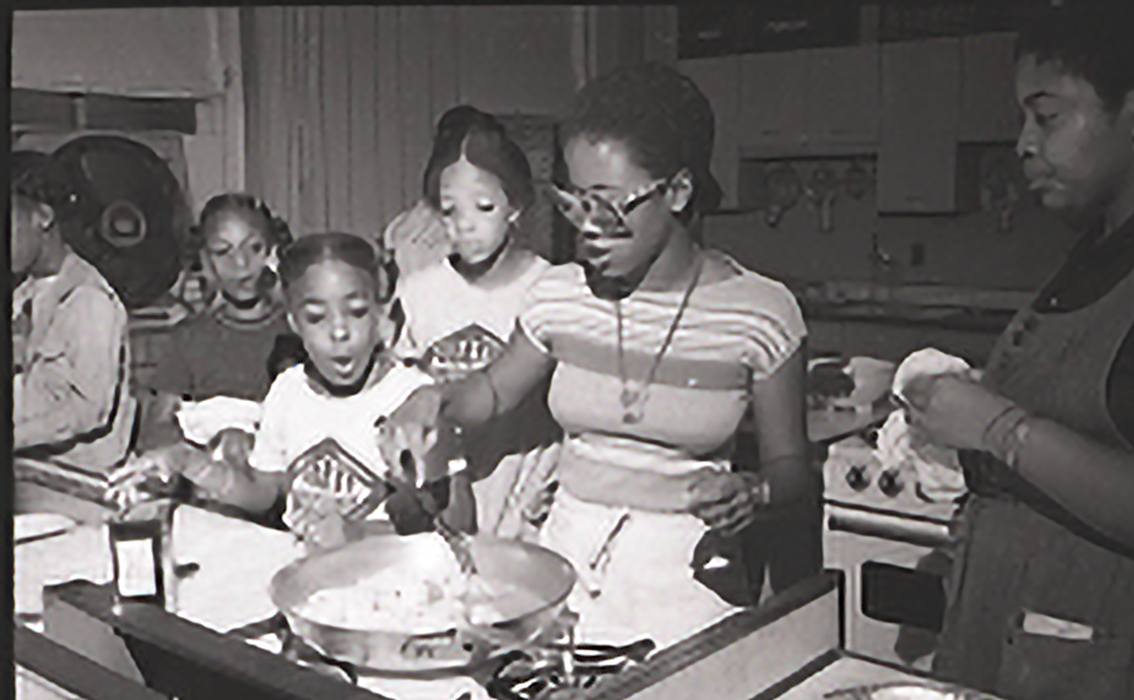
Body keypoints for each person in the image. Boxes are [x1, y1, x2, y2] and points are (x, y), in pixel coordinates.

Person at [383, 63, 815, 647]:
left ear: (679, 192)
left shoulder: (760, 313)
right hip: (565, 568)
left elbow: (795, 471)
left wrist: (756, 492)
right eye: (574, 203)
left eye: (607, 205)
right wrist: (432, 399)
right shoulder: (560, 294)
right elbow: (492, 391)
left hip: (686, 578)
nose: (587, 228)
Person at [901, 3, 1134, 700]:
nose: (1021, 144)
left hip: (1102, 688)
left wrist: (997, 425)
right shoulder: (1096, 252)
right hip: (1004, 655)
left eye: (1045, 117)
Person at [108, 233, 474, 547]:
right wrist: (188, 461)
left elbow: (459, 520)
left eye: (357, 312)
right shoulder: (288, 391)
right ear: (294, 322)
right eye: (317, 317)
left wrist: (356, 533)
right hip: (309, 592)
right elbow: (262, 493)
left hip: (393, 591)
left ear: (382, 313)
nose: (339, 332)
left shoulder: (414, 397)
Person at [386, 105, 562, 540]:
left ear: (515, 206)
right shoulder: (416, 292)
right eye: (449, 211)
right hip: (448, 493)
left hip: (529, 489)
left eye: (484, 207)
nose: (465, 225)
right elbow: (396, 384)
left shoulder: (547, 286)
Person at [12, 151, 136, 521]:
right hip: (31, 478)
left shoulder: (90, 301)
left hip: (79, 492)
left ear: (43, 216)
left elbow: (88, 411)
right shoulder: (23, 294)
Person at [149, 193, 297, 403]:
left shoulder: (300, 330)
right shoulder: (188, 339)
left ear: (273, 249)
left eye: (253, 248)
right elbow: (158, 427)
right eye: (222, 251)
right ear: (204, 259)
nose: (240, 263)